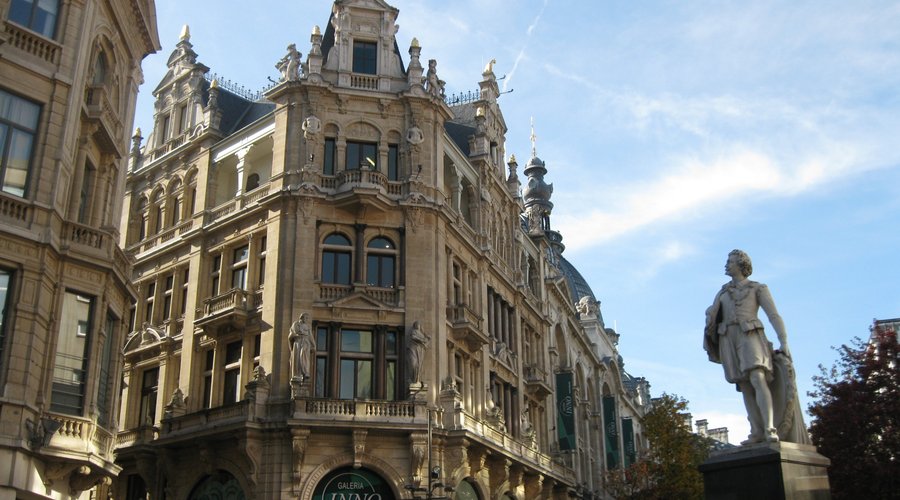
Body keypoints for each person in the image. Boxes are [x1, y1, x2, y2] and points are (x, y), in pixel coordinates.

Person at [704, 250, 808, 445]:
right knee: (744, 385)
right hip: (728, 337)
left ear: (741, 265)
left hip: (750, 334)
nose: (726, 264)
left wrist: (783, 341)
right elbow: (713, 317)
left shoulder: (757, 288)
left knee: (757, 377)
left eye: (730, 261)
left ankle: (770, 428)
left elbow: (774, 315)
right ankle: (756, 431)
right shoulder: (723, 292)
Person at [289, 313, 314, 381]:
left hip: (305, 343)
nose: (307, 319)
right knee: (298, 358)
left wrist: (313, 345)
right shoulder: (296, 324)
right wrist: (296, 335)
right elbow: (292, 334)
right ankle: (297, 374)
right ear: (302, 318)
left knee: (304, 357)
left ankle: (305, 372)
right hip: (298, 342)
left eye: (307, 318)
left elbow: (310, 336)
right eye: (306, 318)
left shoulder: (307, 326)